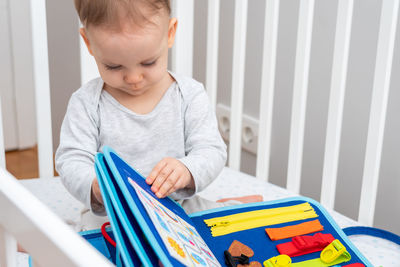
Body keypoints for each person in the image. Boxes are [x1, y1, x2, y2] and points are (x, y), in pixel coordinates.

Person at [56, 0, 262, 221]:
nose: (133, 78)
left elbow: (211, 149)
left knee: (214, 223)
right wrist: (96, 186)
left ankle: (225, 206)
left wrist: (187, 170)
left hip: (178, 206)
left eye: (148, 62)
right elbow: (72, 159)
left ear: (170, 33)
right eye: (114, 66)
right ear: (89, 42)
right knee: (83, 244)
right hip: (116, 215)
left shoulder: (189, 95)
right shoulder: (87, 103)